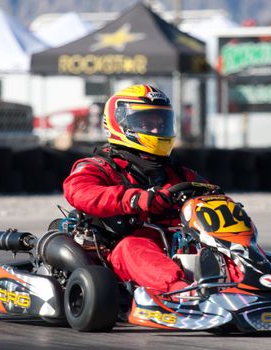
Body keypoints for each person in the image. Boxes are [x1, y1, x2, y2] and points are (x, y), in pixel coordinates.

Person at [63, 84, 204, 294]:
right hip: (120, 251)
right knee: (134, 247)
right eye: (147, 122)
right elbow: (80, 192)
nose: (156, 130)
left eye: (161, 122)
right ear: (121, 123)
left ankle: (256, 282)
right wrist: (135, 199)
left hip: (175, 245)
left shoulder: (179, 174)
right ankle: (182, 292)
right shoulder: (98, 167)